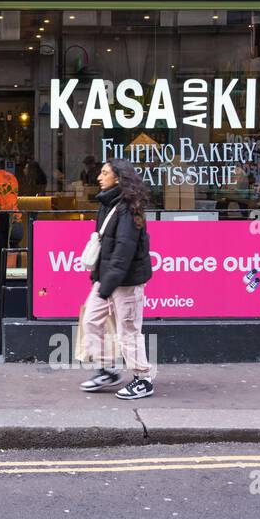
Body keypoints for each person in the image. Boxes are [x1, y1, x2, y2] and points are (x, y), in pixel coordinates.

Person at [79, 158, 155, 400]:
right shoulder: (107, 203)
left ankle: (143, 379)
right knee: (91, 319)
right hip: (107, 279)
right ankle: (107, 369)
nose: (99, 177)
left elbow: (124, 250)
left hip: (127, 282)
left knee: (129, 330)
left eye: (104, 173)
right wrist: (100, 279)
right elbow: (105, 246)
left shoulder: (130, 208)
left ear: (119, 178)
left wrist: (106, 284)